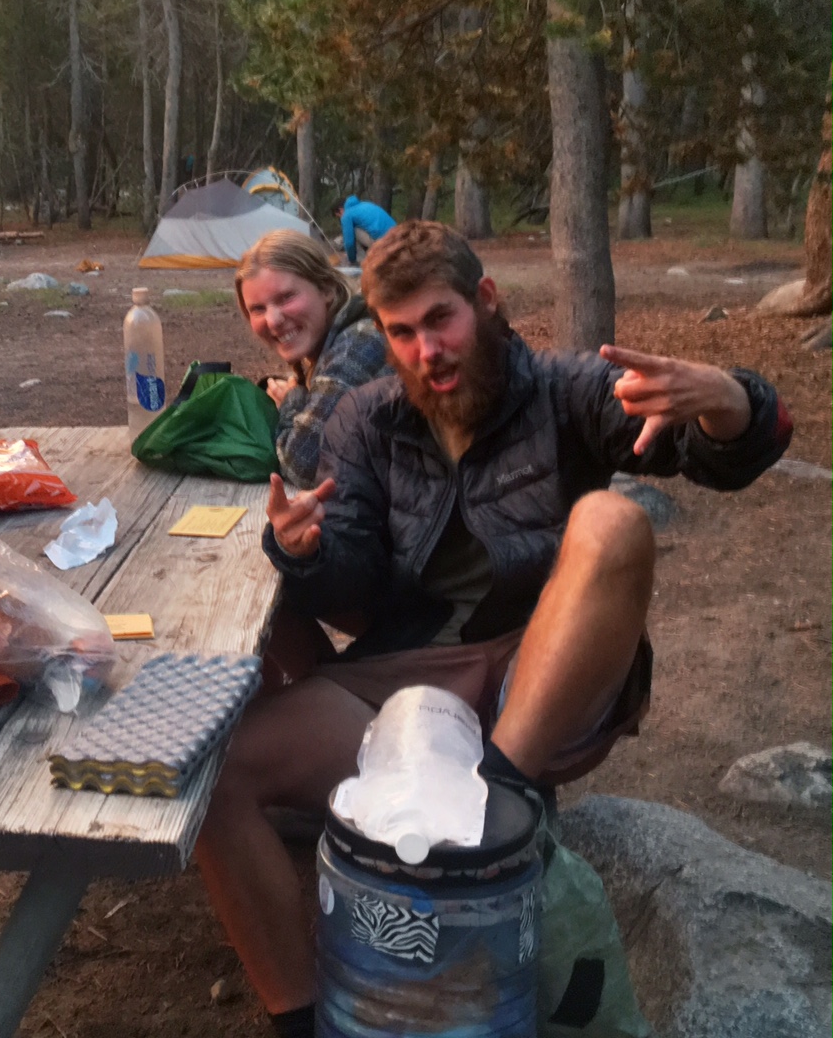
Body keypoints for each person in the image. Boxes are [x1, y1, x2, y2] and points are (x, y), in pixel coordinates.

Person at [196, 221, 793, 1038]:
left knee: (613, 521)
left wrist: (732, 403)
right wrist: (302, 552)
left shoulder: (561, 390)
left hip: (540, 674)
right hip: (409, 683)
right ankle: (301, 1020)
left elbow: (710, 448)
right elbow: (351, 581)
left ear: (484, 299)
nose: (425, 351)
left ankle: (498, 805)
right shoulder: (366, 418)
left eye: (439, 320)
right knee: (217, 776)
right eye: (401, 332)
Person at [234, 230, 389, 489]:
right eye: (258, 309)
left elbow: (304, 464)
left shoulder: (359, 343)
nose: (273, 320)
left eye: (286, 297)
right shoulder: (335, 342)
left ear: (327, 289)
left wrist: (293, 401)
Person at [333, 193, 396, 266]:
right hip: (396, 236)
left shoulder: (347, 215)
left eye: (339, 216)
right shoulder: (365, 204)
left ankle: (368, 258)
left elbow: (349, 243)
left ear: (340, 210)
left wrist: (351, 260)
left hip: (383, 242)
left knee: (352, 231)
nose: (341, 219)